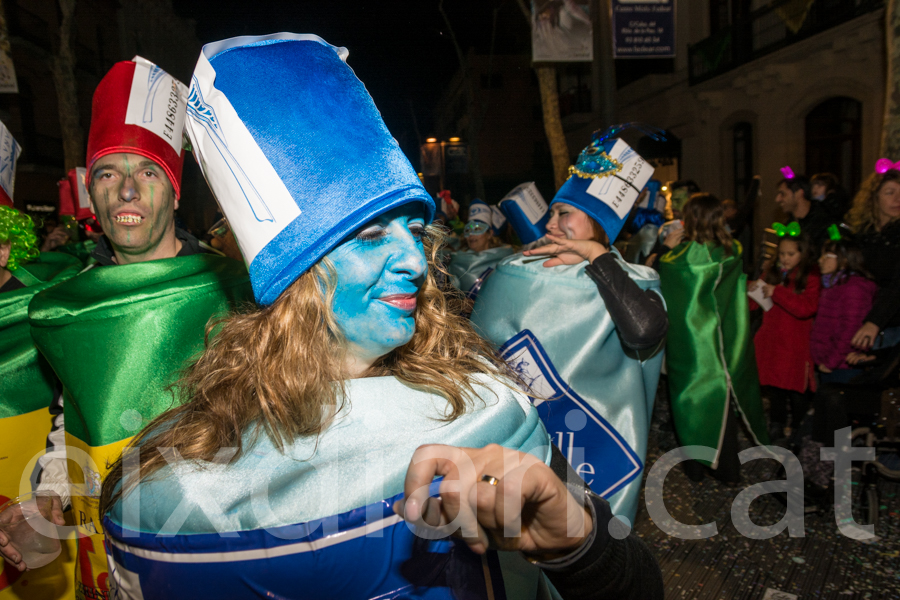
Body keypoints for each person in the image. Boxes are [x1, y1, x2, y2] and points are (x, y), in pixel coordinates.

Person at [98, 34, 664, 600]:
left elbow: (637, 587)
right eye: (372, 235)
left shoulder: (488, 412)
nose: (417, 261)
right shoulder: (193, 473)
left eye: (416, 231)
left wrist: (577, 541)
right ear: (294, 277)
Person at [4, 58, 253, 597]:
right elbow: (69, 416)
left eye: (146, 172)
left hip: (212, 547)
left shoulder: (233, 291)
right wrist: (51, 490)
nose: (127, 191)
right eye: (108, 173)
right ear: (92, 192)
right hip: (104, 548)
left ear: (175, 190)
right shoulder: (66, 306)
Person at [472, 130, 668, 524]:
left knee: (581, 548)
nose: (552, 221)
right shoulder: (518, 272)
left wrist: (597, 256)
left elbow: (645, 331)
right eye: (553, 212)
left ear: (598, 224)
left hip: (591, 455)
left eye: (566, 214)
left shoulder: (634, 281)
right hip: (518, 441)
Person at [658, 194, 769, 483]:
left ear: (689, 220)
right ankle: (728, 470)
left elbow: (656, 277)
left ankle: (695, 468)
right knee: (722, 400)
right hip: (724, 339)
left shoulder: (676, 259)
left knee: (686, 401)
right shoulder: (733, 250)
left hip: (687, 345)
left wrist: (663, 249)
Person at [0, 206, 80, 593]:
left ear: (3, 249)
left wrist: (49, 490)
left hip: (37, 496)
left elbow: (72, 410)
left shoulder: (47, 307)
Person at [750, 231, 820, 442]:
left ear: (803, 254)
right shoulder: (773, 272)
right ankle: (777, 424)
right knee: (775, 388)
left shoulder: (810, 276)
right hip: (772, 341)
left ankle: (800, 430)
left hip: (795, 344)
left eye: (790, 254)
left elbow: (805, 308)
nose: (785, 258)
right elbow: (754, 305)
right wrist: (751, 290)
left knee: (797, 391)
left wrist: (777, 292)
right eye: (781, 254)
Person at [810, 238, 878, 384]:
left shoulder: (854, 289)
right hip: (828, 362)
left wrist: (831, 361)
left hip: (843, 366)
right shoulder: (833, 285)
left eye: (826, 256)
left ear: (844, 260)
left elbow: (850, 329)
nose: (820, 261)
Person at [847, 167, 900, 353]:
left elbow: (897, 285)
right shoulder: (862, 235)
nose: (897, 199)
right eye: (890, 193)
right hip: (857, 318)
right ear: (874, 198)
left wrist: (874, 322)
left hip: (890, 325)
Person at [447, 199, 514, 301]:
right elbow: (450, 297)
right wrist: (459, 305)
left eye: (478, 229)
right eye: (468, 230)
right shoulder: (457, 261)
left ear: (489, 234)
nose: (471, 235)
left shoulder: (506, 260)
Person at [774, 173, 833, 253]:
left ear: (799, 193)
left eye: (783, 194)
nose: (777, 199)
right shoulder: (788, 225)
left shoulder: (823, 223)